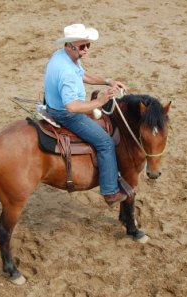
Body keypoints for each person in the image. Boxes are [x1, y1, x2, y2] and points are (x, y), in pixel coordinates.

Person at [43, 23, 129, 206]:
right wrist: (100, 101)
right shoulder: (66, 72)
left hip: (51, 105)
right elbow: (72, 107)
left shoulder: (62, 56)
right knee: (105, 143)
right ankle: (110, 191)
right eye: (83, 46)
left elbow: (82, 74)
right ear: (70, 45)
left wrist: (107, 81)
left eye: (88, 45)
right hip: (65, 115)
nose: (87, 50)